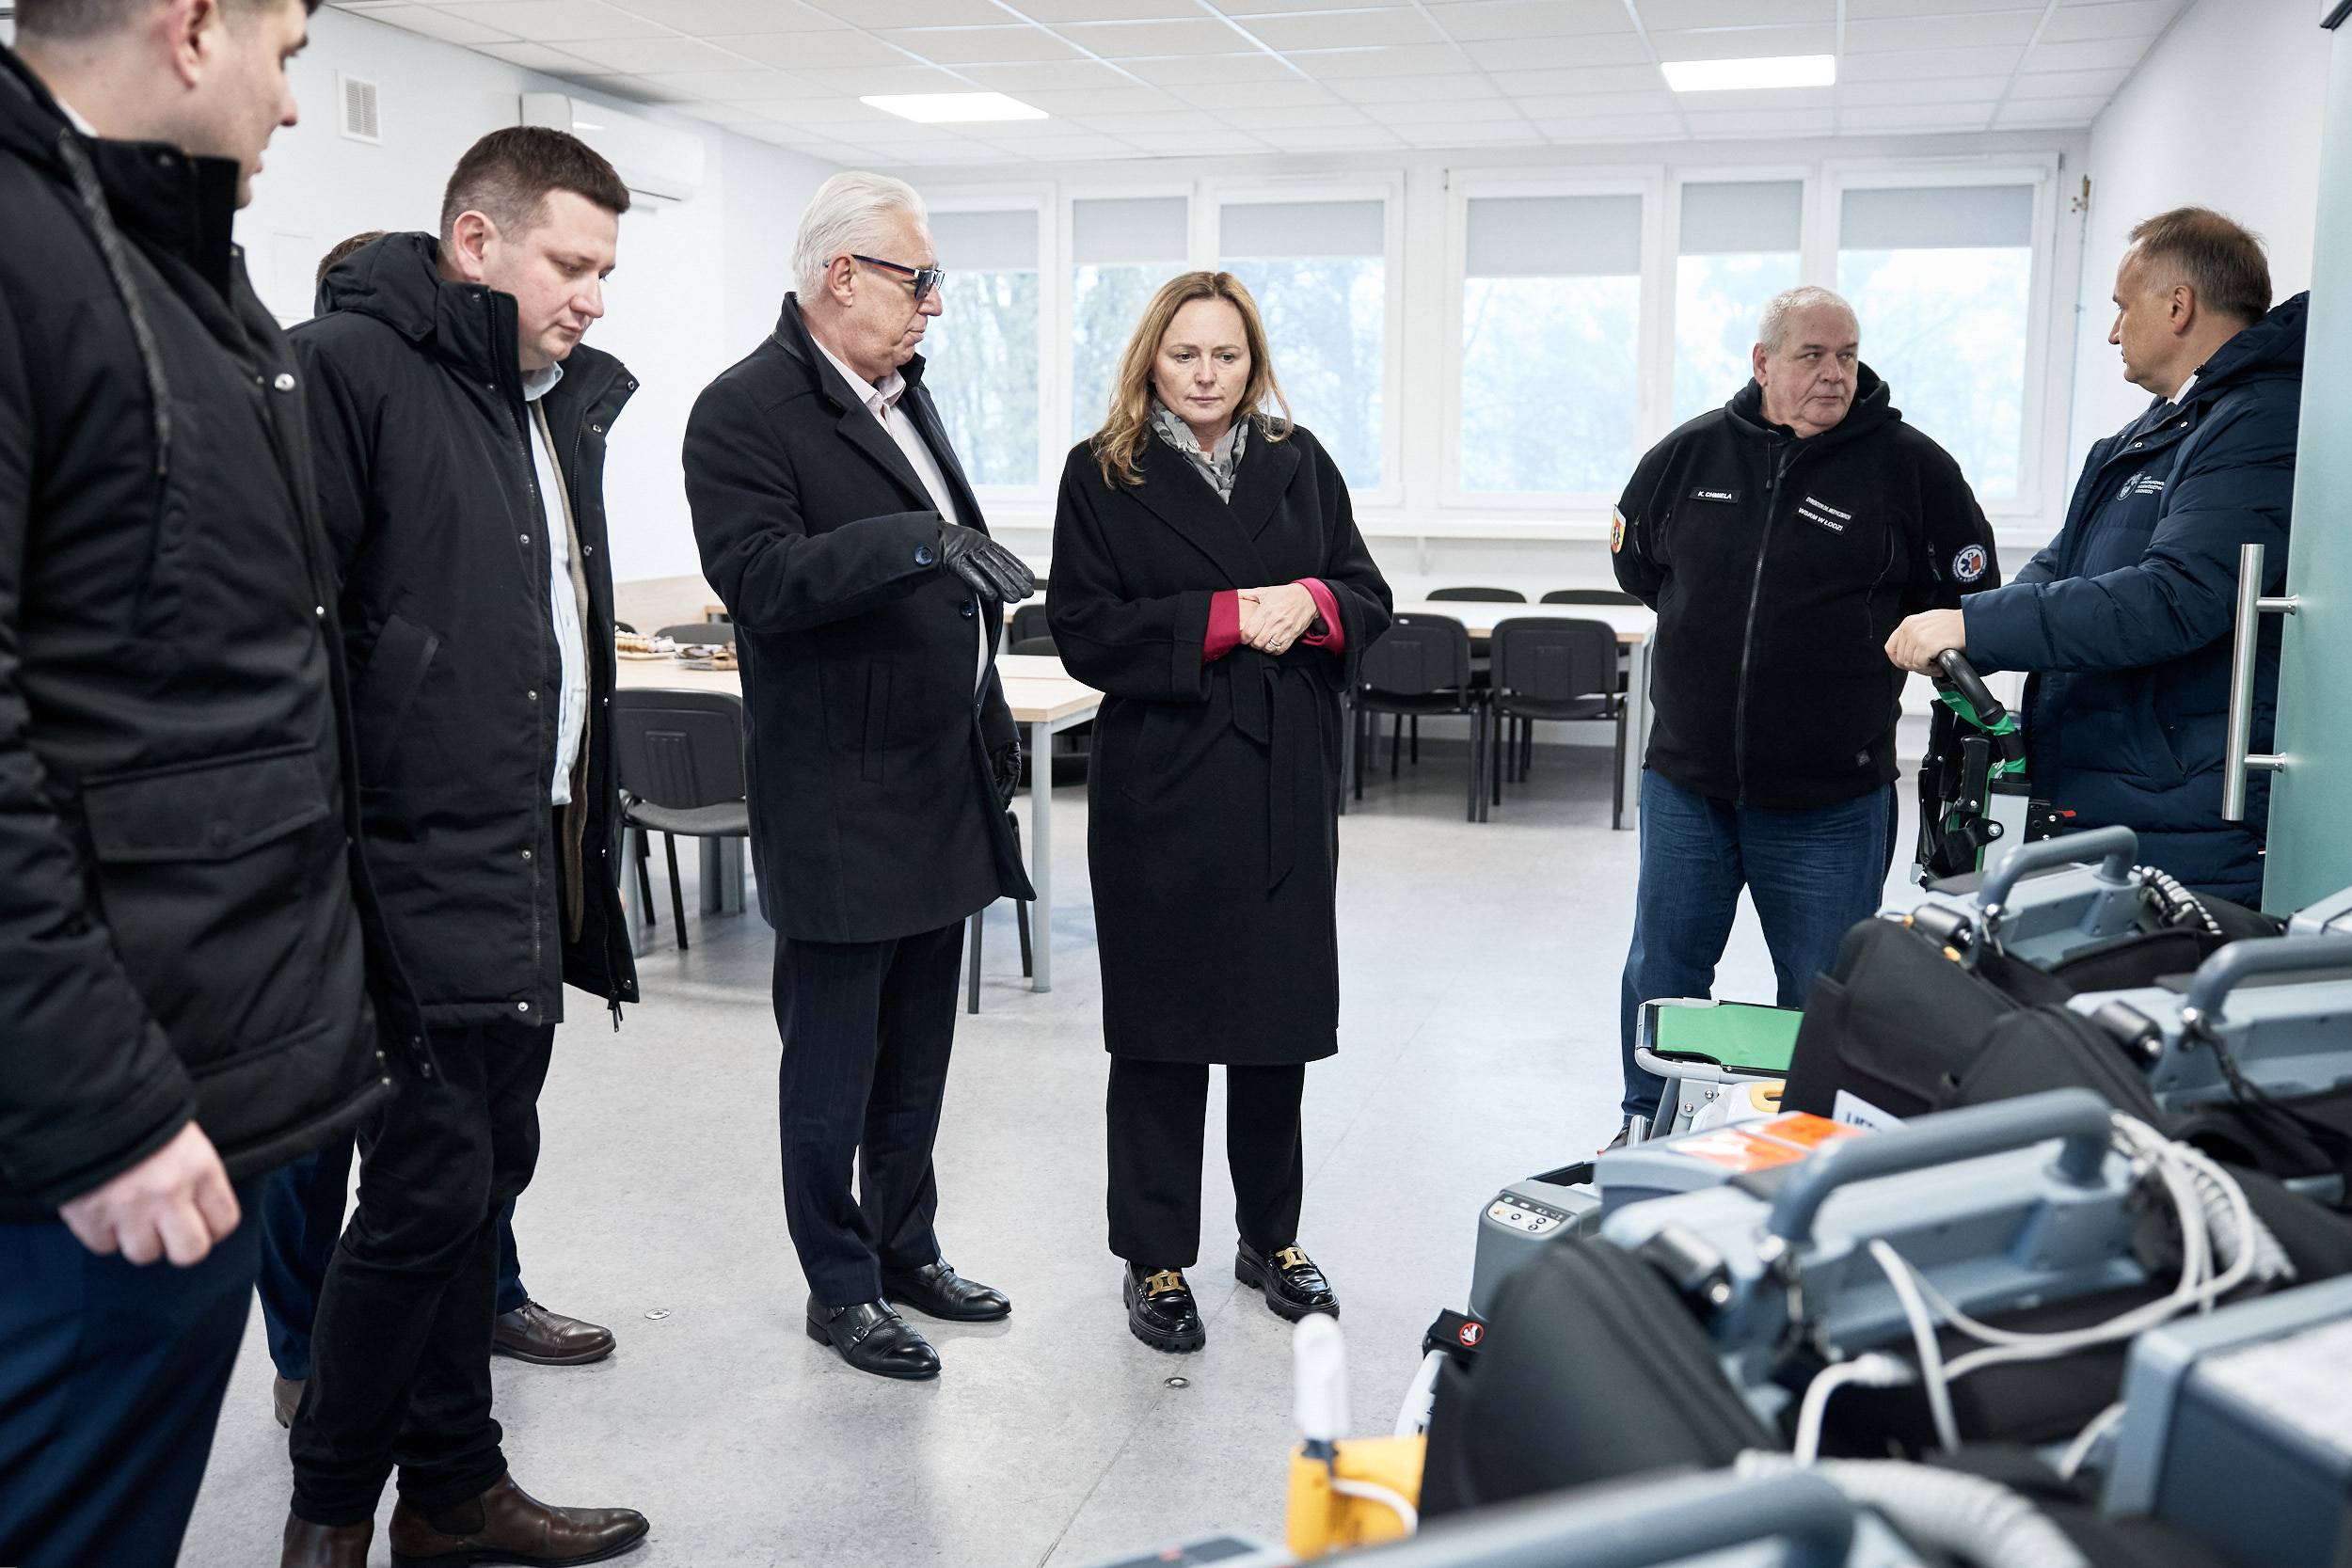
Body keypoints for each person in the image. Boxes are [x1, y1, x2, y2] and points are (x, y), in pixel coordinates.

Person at [0, 4, 425, 1565]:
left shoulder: (164, 260)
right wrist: (101, 1103)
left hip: (196, 1068)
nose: (295, 103)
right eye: (291, 50)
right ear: (190, 28)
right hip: (98, 1129)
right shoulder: (27, 255)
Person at [276, 130, 648, 1567]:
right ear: (477, 241)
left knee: (482, 1184)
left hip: (526, 855)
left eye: (607, 269)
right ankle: (328, 1514)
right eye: (572, 262)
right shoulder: (348, 371)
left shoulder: (541, 404)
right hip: (402, 865)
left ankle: (451, 1489)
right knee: (424, 1195)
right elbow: (292, 639)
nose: (594, 296)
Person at [684, 171, 1036, 1382]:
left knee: (917, 1054)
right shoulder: (745, 409)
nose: (933, 304)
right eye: (918, 279)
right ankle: (839, 1284)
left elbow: (955, 597)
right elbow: (761, 579)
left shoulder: (902, 396)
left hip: (937, 780)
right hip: (840, 794)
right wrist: (914, 539)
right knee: (833, 1066)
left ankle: (905, 1246)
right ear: (843, 276)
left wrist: (985, 708)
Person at [1049, 272, 1393, 1354]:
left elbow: (1367, 593)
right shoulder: (1102, 471)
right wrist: (1224, 616)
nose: (1206, 374)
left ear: (1253, 364)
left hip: (1281, 778)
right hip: (1161, 780)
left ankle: (1270, 1237)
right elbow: (1082, 627)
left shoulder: (1299, 459)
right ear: (1151, 359)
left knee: (1273, 1024)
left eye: (1227, 355)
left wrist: (1314, 601)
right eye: (1186, 353)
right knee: (1160, 1032)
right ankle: (1153, 1253)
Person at [1611, 285, 2000, 1139]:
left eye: (1847, 356)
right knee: (1663, 972)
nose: (1834, 374)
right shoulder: (1689, 457)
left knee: (1823, 990)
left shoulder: (1913, 470)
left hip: (1830, 801)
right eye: (1812, 355)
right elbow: (1639, 567)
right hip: (1688, 784)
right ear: (1763, 362)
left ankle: (1807, 1138)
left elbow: (1965, 600)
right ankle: (1645, 1121)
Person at [1887, 209, 2303, 906]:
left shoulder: (2256, 422)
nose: (2113, 331)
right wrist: (1970, 633)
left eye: (2122, 307)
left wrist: (1976, 627)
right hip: (2106, 793)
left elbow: (2176, 597)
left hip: (2184, 817)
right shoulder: (2152, 433)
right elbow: (2063, 566)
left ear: (2178, 306)